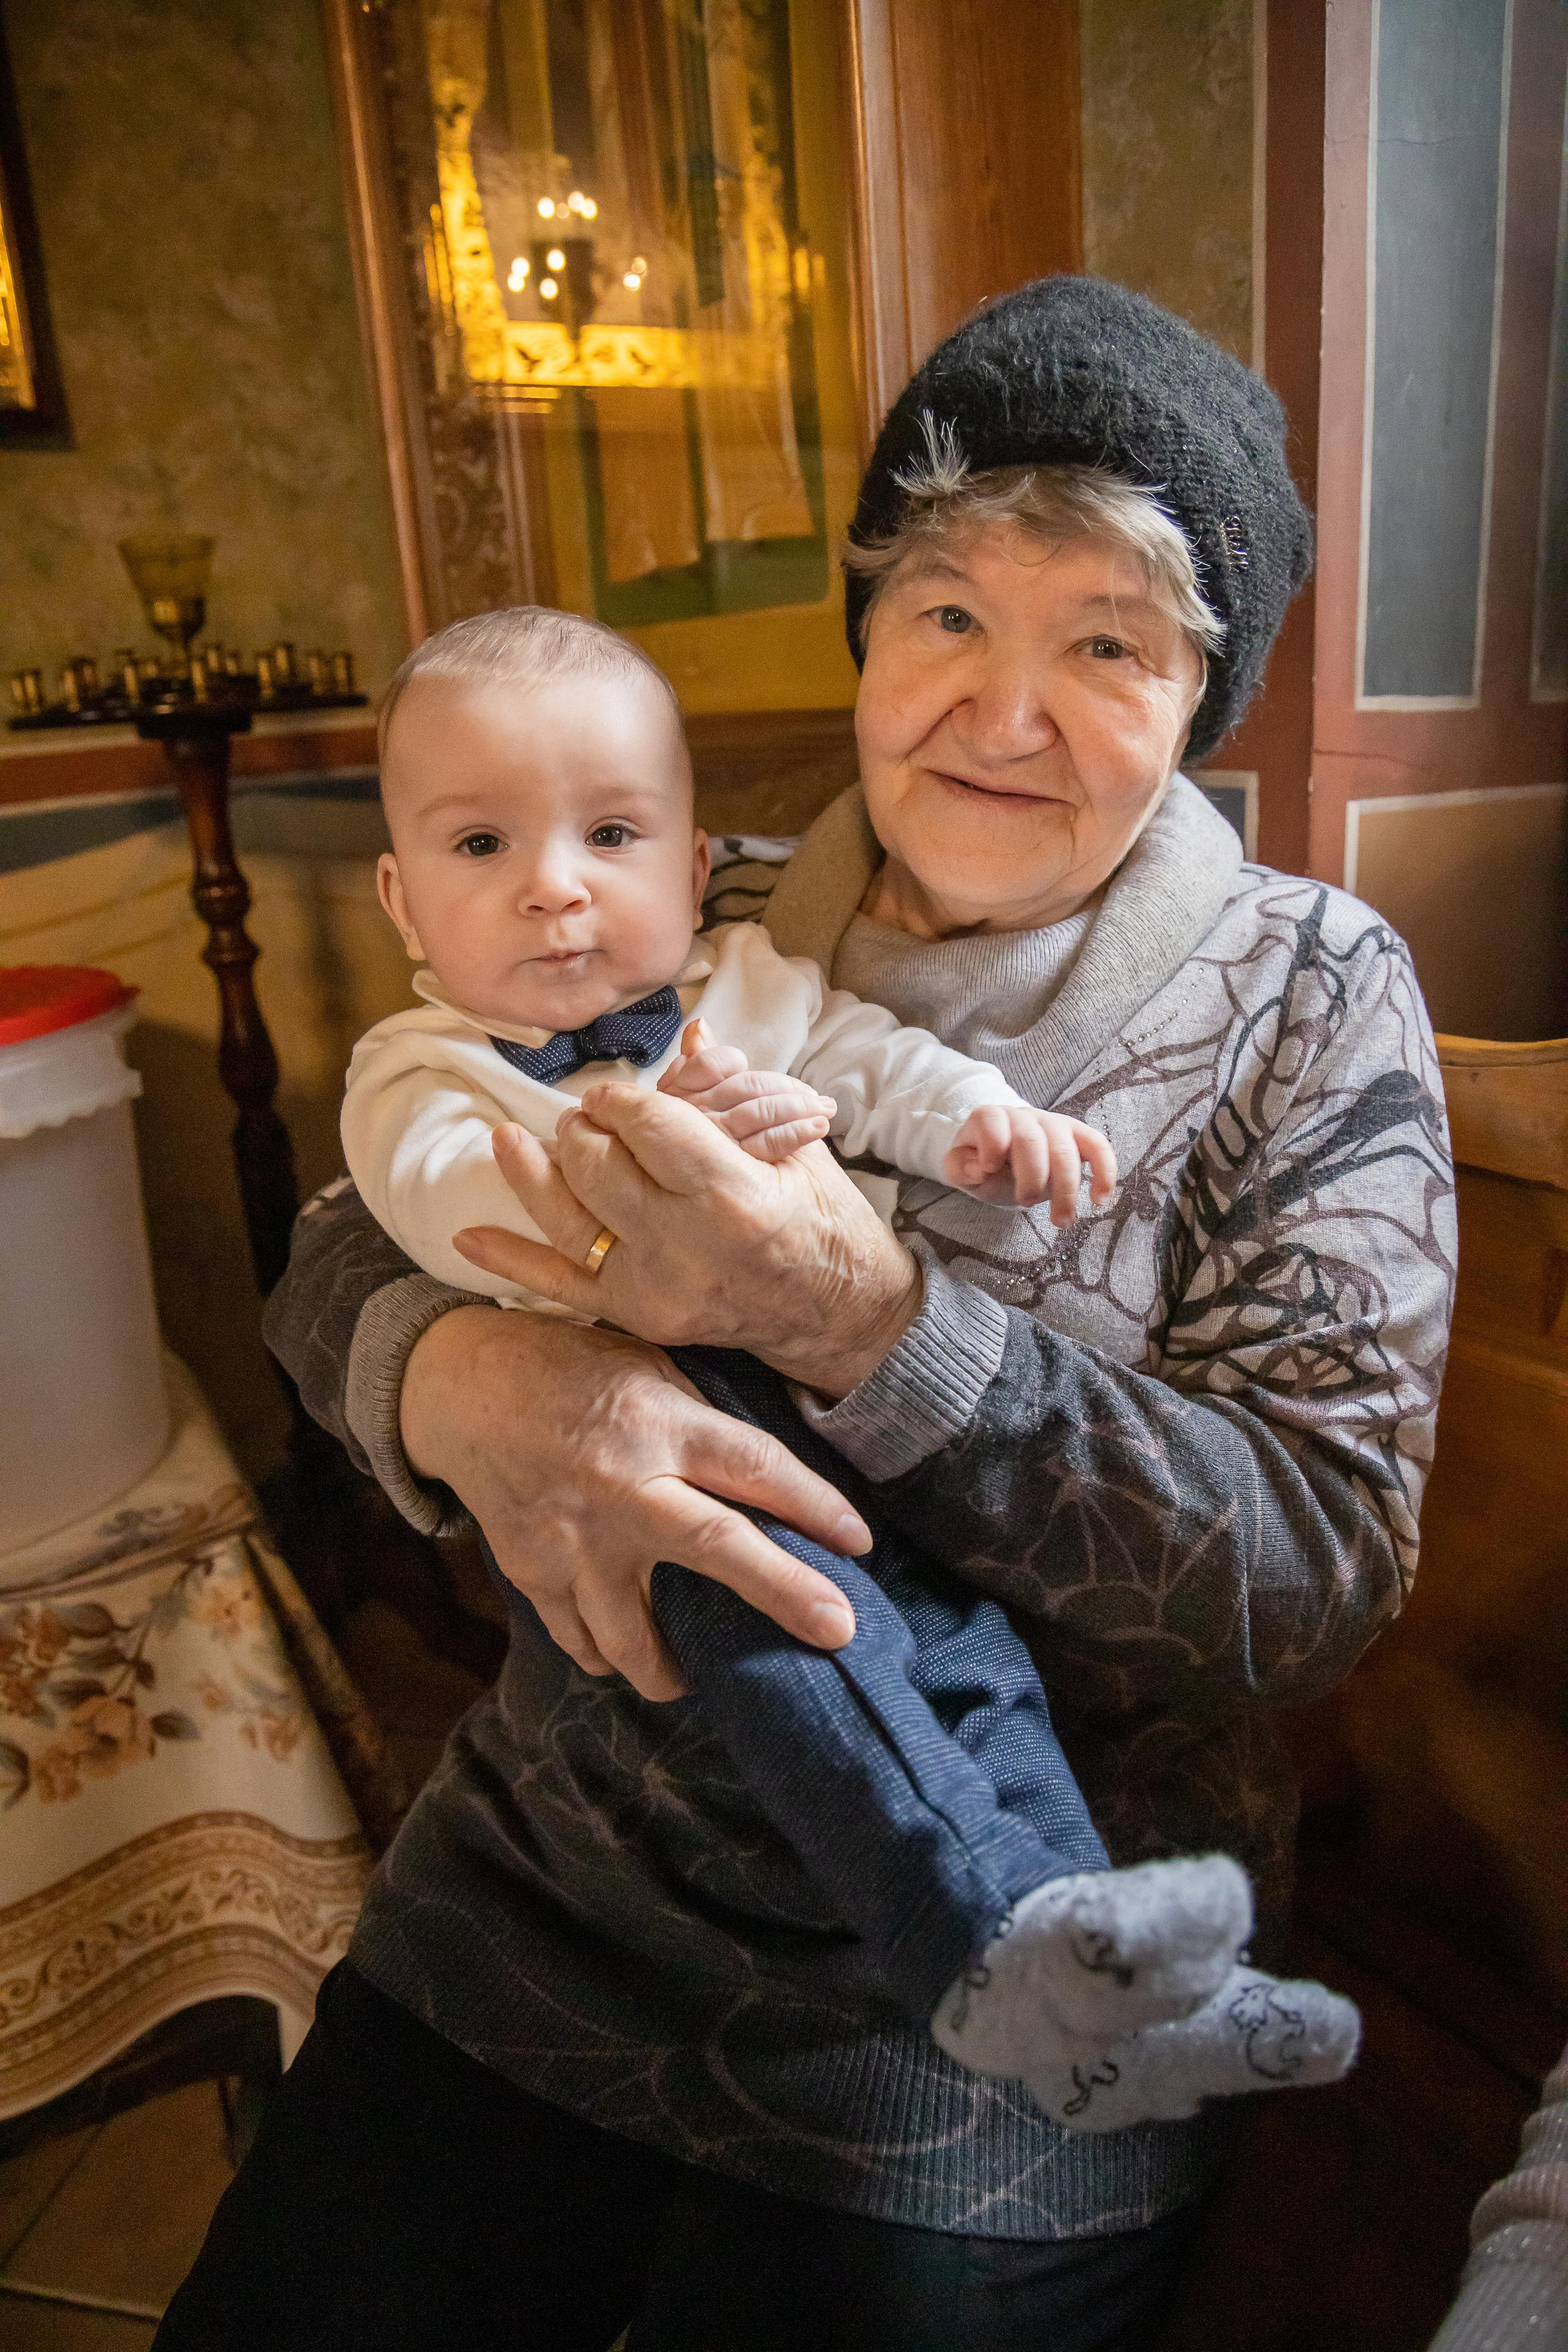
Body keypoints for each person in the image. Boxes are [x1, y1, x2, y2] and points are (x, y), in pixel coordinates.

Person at [156, 277, 1456, 2352]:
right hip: (551, 1898)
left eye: (1104, 642)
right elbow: (344, 1227)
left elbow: (1305, 1578)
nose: (1001, 711)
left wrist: (875, 1324)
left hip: (1013, 2014)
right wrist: (473, 1375)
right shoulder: (695, 891)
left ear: (1206, 699)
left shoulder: (1314, 995)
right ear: (867, 628)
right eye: (947, 612)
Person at [338, 599, 1359, 2128]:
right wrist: (639, 1184)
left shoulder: (748, 980)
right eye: (481, 849)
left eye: (609, 835)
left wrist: (971, 1122)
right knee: (813, 1684)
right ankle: (1011, 1984)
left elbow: (866, 1059)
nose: (554, 889)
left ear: (690, 868)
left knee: (969, 1670)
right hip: (662, 1462)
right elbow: (430, 1197)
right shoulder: (420, 1067)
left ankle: (1107, 1964)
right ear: (403, 901)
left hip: (854, 1439)